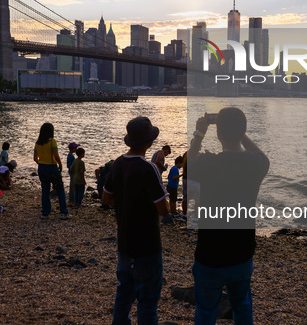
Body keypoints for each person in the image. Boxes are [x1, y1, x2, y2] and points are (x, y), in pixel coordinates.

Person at [187, 108, 269, 324]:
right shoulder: (257, 165)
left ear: (218, 133)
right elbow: (261, 155)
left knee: (206, 310)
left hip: (209, 252)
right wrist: (239, 132)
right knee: (242, 306)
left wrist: (199, 134)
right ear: (243, 131)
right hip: (242, 251)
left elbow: (189, 163)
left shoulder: (207, 164)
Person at [102, 116, 169, 324]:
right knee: (147, 302)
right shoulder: (149, 169)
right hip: (147, 246)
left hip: (124, 242)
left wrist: (127, 203)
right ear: (149, 143)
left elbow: (106, 198)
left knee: (123, 295)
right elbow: (164, 210)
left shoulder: (118, 164)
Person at [33, 123, 70, 220]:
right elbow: (56, 155)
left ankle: (45, 213)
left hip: (41, 168)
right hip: (52, 167)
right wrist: (60, 164)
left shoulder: (38, 143)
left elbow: (35, 158)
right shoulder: (52, 141)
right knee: (60, 190)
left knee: (45, 190)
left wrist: (41, 163)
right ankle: (63, 213)